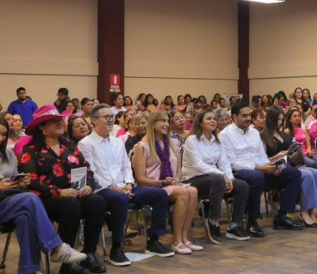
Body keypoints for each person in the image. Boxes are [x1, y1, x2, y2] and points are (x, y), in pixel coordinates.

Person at [0, 115, 88, 274]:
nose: (0, 139)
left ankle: (31, 273)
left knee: (25, 217)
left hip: (12, 201)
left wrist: (20, 183)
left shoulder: (7, 153)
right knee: (30, 198)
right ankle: (56, 247)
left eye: (3, 135)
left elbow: (15, 179)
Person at [19, 106, 109, 274]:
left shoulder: (70, 145)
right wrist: (59, 192)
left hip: (74, 193)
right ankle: (67, 260)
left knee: (97, 202)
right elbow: (31, 179)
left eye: (60, 120)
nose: (60, 123)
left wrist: (89, 184)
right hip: (47, 199)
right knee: (70, 205)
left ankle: (89, 253)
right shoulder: (31, 150)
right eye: (54, 121)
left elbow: (87, 169)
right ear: (42, 127)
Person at [78, 104, 173, 263]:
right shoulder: (86, 143)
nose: (110, 120)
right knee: (119, 198)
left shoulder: (117, 142)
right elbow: (91, 172)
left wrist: (128, 183)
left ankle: (154, 240)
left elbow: (126, 166)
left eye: (112, 117)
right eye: (106, 117)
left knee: (160, 194)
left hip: (124, 186)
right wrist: (114, 187)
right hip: (102, 189)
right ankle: (117, 247)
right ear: (94, 121)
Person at [220, 103, 303, 234]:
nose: (248, 118)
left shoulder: (254, 133)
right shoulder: (225, 135)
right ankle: (252, 220)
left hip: (260, 170)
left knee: (293, 173)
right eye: (244, 116)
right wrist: (259, 168)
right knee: (257, 176)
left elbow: (261, 155)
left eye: (249, 115)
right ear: (234, 117)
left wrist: (271, 166)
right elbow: (231, 163)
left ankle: (282, 216)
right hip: (239, 172)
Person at [132, 111, 201, 254]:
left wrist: (176, 177)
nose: (166, 124)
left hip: (171, 183)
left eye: (167, 121)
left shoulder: (173, 143)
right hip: (153, 186)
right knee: (182, 193)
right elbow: (140, 178)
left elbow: (181, 168)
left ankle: (184, 237)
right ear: (153, 124)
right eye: (161, 121)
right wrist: (162, 181)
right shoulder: (142, 146)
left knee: (193, 191)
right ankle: (176, 241)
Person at [182, 110, 251, 242]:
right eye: (209, 118)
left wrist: (230, 178)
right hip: (193, 179)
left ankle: (234, 226)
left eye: (214, 119)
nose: (213, 121)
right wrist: (222, 175)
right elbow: (199, 165)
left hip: (214, 179)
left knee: (242, 185)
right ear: (200, 123)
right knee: (218, 179)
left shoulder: (217, 140)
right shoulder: (192, 140)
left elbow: (224, 162)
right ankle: (213, 221)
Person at [263, 108, 317, 227]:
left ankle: (311, 210)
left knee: (316, 173)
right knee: (306, 175)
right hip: (274, 168)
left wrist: (296, 153)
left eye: (281, 119)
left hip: (290, 165)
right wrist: (278, 156)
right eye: (277, 120)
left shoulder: (284, 135)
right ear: (270, 120)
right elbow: (261, 159)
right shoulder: (264, 136)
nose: (280, 122)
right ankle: (303, 211)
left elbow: (294, 153)